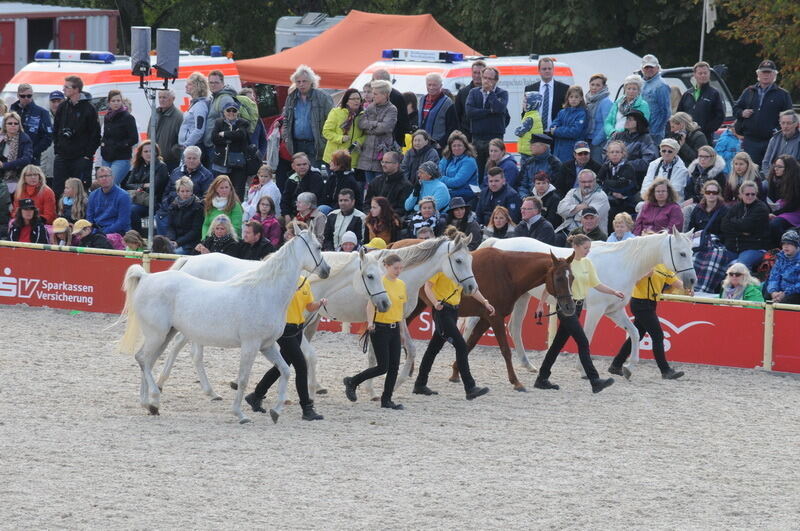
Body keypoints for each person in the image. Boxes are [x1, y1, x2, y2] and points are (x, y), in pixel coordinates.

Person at [534, 233, 623, 393]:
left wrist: (613, 292)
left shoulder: (587, 263)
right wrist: (541, 303)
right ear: (575, 247)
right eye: (585, 248)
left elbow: (596, 284)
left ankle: (542, 378)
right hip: (566, 307)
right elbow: (551, 285)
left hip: (579, 306)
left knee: (557, 344)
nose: (588, 251)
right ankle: (594, 380)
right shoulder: (564, 263)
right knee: (582, 342)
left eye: (589, 248)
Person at [246, 274, 326, 421]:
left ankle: (256, 395)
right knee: (301, 366)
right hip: (284, 329)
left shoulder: (304, 282)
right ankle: (307, 408)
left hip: (298, 328)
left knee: (283, 365)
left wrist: (319, 303)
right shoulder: (279, 280)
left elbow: (309, 306)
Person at [413, 269, 495, 400]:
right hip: (442, 311)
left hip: (454, 311)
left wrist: (485, 302)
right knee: (461, 346)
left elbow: (472, 288)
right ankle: (470, 387)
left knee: (433, 348)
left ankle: (420, 384)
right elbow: (427, 287)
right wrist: (435, 303)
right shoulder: (440, 269)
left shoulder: (459, 270)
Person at [343, 253, 407, 410]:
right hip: (380, 328)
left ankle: (387, 400)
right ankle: (353, 381)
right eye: (395, 268)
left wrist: (403, 331)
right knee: (382, 366)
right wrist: (370, 322)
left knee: (394, 367)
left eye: (400, 268)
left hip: (394, 327)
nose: (398, 271)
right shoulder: (380, 282)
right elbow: (371, 304)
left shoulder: (401, 285)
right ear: (386, 267)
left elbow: (401, 310)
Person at [609, 263, 686, 380]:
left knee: (637, 335)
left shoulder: (664, 267)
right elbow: (631, 282)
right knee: (658, 336)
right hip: (640, 303)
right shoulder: (644, 264)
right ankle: (665, 370)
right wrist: (645, 275)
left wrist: (688, 287)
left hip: (651, 303)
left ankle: (616, 365)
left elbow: (676, 282)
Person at [732, 60, 793, 166]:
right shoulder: (749, 91)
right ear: (758, 74)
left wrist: (778, 130)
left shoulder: (783, 94)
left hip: (773, 140)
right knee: (750, 171)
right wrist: (742, 113)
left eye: (769, 72)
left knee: (771, 171)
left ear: (774, 75)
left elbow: (789, 117)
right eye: (763, 72)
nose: (766, 75)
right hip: (750, 141)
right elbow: (735, 108)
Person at [53, 75, 101, 195]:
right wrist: (57, 149)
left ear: (76, 89)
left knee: (80, 191)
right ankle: (61, 212)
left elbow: (95, 134)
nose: (63, 89)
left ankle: (79, 213)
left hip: (81, 157)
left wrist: (87, 155)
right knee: (59, 190)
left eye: (66, 87)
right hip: (62, 156)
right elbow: (56, 129)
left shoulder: (89, 108)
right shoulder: (63, 107)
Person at [155, 145, 214, 234]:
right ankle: (165, 244)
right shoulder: (176, 172)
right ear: (184, 158)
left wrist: (189, 207)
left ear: (200, 159)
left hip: (191, 211)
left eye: (194, 158)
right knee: (160, 215)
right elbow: (166, 192)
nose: (191, 161)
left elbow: (207, 197)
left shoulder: (206, 175)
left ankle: (178, 244)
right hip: (172, 208)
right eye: (189, 158)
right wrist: (168, 206)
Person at [466, 66, 509, 172]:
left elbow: (498, 108)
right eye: (484, 78)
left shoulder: (502, 93)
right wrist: (488, 112)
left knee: (493, 169)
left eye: (490, 79)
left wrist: (491, 93)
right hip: (477, 138)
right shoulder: (473, 92)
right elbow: (469, 112)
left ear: (496, 80)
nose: (486, 81)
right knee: (478, 169)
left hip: (494, 137)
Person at [122, 140, 170, 235]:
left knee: (132, 211)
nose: (148, 154)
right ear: (141, 153)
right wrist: (143, 185)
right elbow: (128, 184)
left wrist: (139, 187)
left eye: (151, 151)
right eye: (145, 151)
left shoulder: (161, 166)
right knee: (124, 207)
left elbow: (154, 187)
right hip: (139, 200)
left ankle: (136, 237)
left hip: (155, 202)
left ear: (156, 152)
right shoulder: (138, 165)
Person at [720, 180, 770, 270]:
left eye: (753, 194)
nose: (750, 196)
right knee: (715, 260)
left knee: (740, 266)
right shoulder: (736, 207)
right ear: (741, 194)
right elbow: (724, 225)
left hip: (754, 248)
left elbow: (747, 226)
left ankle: (743, 284)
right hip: (732, 248)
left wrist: (734, 222)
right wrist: (742, 231)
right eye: (747, 194)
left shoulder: (761, 208)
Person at [357, 80, 398, 182]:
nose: (373, 96)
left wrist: (369, 127)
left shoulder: (392, 109)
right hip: (367, 154)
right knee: (370, 188)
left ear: (385, 95)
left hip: (381, 155)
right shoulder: (370, 106)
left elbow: (385, 127)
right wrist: (376, 124)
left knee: (380, 187)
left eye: (375, 94)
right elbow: (361, 123)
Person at [555, 169, 610, 243]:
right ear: (578, 182)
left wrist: (569, 213)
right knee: (552, 240)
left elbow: (587, 217)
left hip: (591, 235)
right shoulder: (572, 192)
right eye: (583, 182)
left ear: (595, 181)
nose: (587, 184)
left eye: (590, 181)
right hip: (568, 230)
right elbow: (560, 210)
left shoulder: (601, 196)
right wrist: (580, 207)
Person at [677, 61, 726, 143]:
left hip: (705, 137)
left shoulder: (714, 94)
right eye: (700, 73)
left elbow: (720, 116)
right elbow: (679, 113)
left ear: (709, 74)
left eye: (705, 73)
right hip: (686, 137)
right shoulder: (688, 94)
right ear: (695, 75)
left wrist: (706, 129)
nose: (703, 75)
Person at [211, 100, 250, 200]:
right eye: (228, 110)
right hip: (221, 162)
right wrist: (232, 139)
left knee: (237, 190)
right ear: (224, 112)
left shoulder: (243, 123)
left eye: (234, 111)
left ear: (238, 112)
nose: (231, 113)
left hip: (238, 163)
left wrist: (224, 134)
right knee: (220, 189)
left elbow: (241, 135)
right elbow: (214, 138)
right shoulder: (218, 122)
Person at [99, 90, 138, 186]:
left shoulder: (128, 117)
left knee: (111, 183)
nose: (116, 103)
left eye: (118, 100)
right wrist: (104, 145)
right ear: (109, 102)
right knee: (105, 185)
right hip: (107, 156)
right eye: (113, 101)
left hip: (121, 157)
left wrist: (118, 145)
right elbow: (105, 135)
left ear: (121, 101)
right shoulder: (107, 117)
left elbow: (134, 139)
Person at [598, 140, 638, 231]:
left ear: (622, 153)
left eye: (617, 152)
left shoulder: (628, 167)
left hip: (626, 201)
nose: (614, 154)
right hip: (609, 199)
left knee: (612, 213)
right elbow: (598, 183)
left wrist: (606, 182)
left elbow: (621, 186)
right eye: (612, 152)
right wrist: (611, 192)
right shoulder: (606, 166)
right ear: (608, 154)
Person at [608, 110, 657, 183]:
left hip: (634, 178)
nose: (627, 121)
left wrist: (624, 165)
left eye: (630, 119)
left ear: (638, 122)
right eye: (627, 119)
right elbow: (605, 151)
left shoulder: (645, 138)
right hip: (613, 174)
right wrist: (612, 163)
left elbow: (648, 160)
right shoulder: (618, 135)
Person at [322, 87, 365, 168]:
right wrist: (340, 138)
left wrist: (359, 141)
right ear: (347, 100)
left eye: (358, 98)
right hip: (335, 158)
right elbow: (326, 132)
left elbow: (366, 134)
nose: (356, 101)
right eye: (353, 99)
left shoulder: (363, 115)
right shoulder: (336, 112)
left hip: (353, 158)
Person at [9, 83, 52, 166]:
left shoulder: (42, 112)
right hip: (12, 155)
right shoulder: (12, 110)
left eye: (29, 96)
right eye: (23, 96)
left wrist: (32, 152)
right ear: (18, 95)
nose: (26, 98)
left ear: (32, 95)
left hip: (32, 158)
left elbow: (48, 137)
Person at [524, 57, 569, 129]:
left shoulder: (564, 89)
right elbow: (525, 112)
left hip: (556, 133)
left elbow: (567, 112)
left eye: (549, 68)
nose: (547, 71)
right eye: (544, 69)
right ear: (539, 70)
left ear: (553, 70)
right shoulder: (530, 89)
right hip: (536, 132)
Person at [203, 69, 238, 163]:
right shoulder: (215, 98)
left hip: (217, 148)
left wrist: (219, 142)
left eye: (216, 82)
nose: (213, 85)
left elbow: (231, 123)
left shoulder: (225, 99)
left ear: (222, 83)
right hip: (212, 146)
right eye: (210, 82)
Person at [86, 166, 131, 236]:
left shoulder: (123, 196)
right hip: (97, 231)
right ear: (97, 180)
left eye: (107, 176)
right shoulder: (93, 195)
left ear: (112, 177)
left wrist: (103, 232)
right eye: (101, 177)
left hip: (117, 233)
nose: (104, 178)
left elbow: (122, 222)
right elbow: (89, 218)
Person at [371, 69, 411, 147]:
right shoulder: (375, 95)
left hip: (392, 140)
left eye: (373, 79)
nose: (371, 82)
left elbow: (401, 121)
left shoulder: (396, 97)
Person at [417, 73, 458, 149]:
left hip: (437, 145)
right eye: (429, 85)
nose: (431, 87)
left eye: (434, 85)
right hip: (421, 144)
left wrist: (441, 144)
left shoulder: (447, 102)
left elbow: (453, 127)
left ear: (440, 86)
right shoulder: (422, 99)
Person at [549, 85, 589, 163]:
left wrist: (557, 131)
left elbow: (574, 131)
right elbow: (552, 126)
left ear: (581, 98)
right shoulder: (562, 112)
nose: (573, 99)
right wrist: (557, 129)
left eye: (576, 97)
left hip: (571, 150)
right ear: (568, 98)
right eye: (571, 97)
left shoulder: (582, 113)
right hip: (558, 150)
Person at [641, 138, 689, 202]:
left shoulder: (682, 170)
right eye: (664, 151)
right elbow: (646, 184)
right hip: (652, 199)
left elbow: (676, 189)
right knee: (640, 206)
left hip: (672, 202)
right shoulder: (653, 164)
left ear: (676, 153)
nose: (666, 153)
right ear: (660, 152)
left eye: (670, 151)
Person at [165, 176, 204, 255]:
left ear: (192, 192)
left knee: (173, 254)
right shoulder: (173, 206)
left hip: (191, 244)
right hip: (176, 241)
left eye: (187, 191)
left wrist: (178, 242)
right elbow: (170, 226)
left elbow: (195, 231)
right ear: (178, 192)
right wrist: (171, 239)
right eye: (182, 191)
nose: (185, 194)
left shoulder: (198, 207)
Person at [281, 152, 325, 222]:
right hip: (293, 212)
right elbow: (285, 200)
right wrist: (286, 214)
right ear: (293, 166)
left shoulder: (316, 177)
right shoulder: (290, 179)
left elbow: (314, 200)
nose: (302, 167)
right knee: (279, 220)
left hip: (309, 212)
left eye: (304, 164)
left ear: (309, 164)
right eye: (299, 165)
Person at [767, 155, 800, 247]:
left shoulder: (796, 181)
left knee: (775, 224)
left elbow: (793, 205)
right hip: (778, 210)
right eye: (775, 166)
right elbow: (770, 198)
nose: (775, 169)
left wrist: (776, 214)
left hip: (794, 212)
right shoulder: (773, 179)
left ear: (788, 169)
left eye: (780, 167)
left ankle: (782, 248)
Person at [604, 75, 650, 139]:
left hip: (631, 139)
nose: (631, 91)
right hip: (613, 138)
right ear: (625, 89)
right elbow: (608, 121)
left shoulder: (643, 105)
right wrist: (612, 132)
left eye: (634, 89)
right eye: (629, 88)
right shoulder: (618, 102)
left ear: (639, 90)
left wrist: (620, 133)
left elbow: (643, 125)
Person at [367, 151, 413, 215]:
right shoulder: (376, 181)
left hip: (392, 220)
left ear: (397, 164)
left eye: (387, 162)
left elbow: (402, 209)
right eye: (382, 162)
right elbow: (367, 203)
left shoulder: (406, 185)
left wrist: (385, 215)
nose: (383, 165)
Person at [639, 54, 672, 144]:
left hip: (655, 134)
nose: (649, 69)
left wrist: (655, 131)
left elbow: (665, 112)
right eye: (646, 67)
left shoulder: (661, 86)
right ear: (642, 69)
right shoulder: (641, 83)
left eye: (652, 67)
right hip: (642, 131)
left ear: (657, 68)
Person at [179, 72, 211, 155]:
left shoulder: (200, 106)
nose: (186, 86)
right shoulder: (195, 104)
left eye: (189, 84)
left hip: (193, 148)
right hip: (191, 146)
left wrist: (186, 145)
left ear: (198, 87)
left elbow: (199, 130)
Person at [687, 180, 728, 244]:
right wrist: (694, 235)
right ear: (704, 193)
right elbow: (690, 229)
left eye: (714, 192)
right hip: (698, 244)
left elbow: (726, 234)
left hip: (716, 244)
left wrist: (709, 237)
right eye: (708, 192)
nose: (711, 194)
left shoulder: (724, 210)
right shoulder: (697, 209)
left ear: (718, 194)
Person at [454, 60, 486, 139]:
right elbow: (456, 116)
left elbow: (504, 117)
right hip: (467, 138)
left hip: (486, 138)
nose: (477, 75)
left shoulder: (492, 92)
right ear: (471, 73)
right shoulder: (463, 93)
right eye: (475, 72)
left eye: (480, 73)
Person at [766, 230, 800, 304]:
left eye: (789, 244)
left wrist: (785, 293)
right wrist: (773, 292)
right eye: (783, 244)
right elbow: (773, 277)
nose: (785, 246)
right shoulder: (780, 258)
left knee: (791, 298)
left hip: (794, 292)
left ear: (796, 245)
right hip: (780, 292)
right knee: (766, 292)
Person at [761, 110, 800, 175]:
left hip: (794, 178)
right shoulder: (774, 139)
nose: (785, 126)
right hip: (774, 176)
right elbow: (766, 162)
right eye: (783, 123)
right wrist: (769, 177)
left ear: (796, 124)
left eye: (789, 123)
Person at [586, 74, 614, 163]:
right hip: (588, 139)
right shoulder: (589, 100)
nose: (594, 87)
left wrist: (595, 141)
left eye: (598, 85)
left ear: (603, 87)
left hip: (599, 142)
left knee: (596, 167)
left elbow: (607, 124)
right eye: (592, 84)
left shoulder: (606, 102)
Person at [0, 112, 33, 184]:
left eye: (16, 123)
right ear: (5, 125)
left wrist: (4, 165)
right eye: (10, 123)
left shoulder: (24, 138)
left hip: (19, 177)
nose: (13, 125)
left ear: (19, 125)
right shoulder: (1, 139)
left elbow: (26, 159)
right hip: (2, 176)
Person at [154, 89, 184, 170]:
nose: (161, 100)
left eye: (164, 97)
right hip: (154, 159)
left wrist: (173, 152)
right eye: (159, 97)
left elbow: (182, 140)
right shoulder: (155, 113)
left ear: (173, 99)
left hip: (170, 162)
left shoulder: (179, 116)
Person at [39, 90, 64, 183]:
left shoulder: (69, 118)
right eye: (54, 102)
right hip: (44, 167)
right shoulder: (43, 118)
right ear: (49, 103)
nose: (56, 104)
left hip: (62, 168)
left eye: (59, 101)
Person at [515, 92, 544, 165]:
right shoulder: (536, 115)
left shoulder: (530, 118)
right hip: (533, 150)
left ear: (531, 104)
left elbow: (519, 132)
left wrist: (517, 129)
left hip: (527, 152)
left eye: (525, 102)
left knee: (525, 173)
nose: (523, 104)